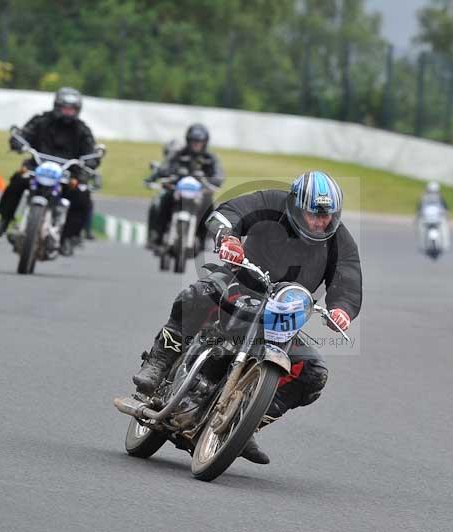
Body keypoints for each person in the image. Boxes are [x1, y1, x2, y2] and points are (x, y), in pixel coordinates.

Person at [119, 171, 361, 464]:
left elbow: (348, 276)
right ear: (296, 205)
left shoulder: (339, 239)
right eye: (315, 214)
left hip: (282, 311)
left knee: (312, 374)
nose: (322, 221)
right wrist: (228, 239)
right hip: (240, 282)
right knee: (196, 296)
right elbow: (227, 213)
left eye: (328, 215)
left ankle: (245, 422)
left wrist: (343, 310)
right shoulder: (270, 202)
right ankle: (159, 361)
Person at [0, 87, 101, 253]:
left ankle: (69, 237)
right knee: (17, 180)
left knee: (82, 195)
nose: (68, 112)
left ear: (78, 110)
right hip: (37, 165)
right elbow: (24, 133)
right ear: (57, 106)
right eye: (65, 108)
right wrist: (18, 141)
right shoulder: (41, 120)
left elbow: (90, 150)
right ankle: (5, 218)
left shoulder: (82, 130)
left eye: (72, 109)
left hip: (68, 172)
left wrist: (91, 160)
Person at [144, 124, 224, 249]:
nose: (196, 144)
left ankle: (204, 239)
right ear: (188, 140)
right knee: (162, 200)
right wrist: (154, 177)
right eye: (194, 141)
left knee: (210, 208)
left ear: (205, 142)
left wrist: (215, 181)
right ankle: (157, 235)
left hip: (200, 192)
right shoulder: (178, 154)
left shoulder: (210, 158)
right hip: (177, 190)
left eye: (199, 142)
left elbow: (218, 174)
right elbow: (165, 167)